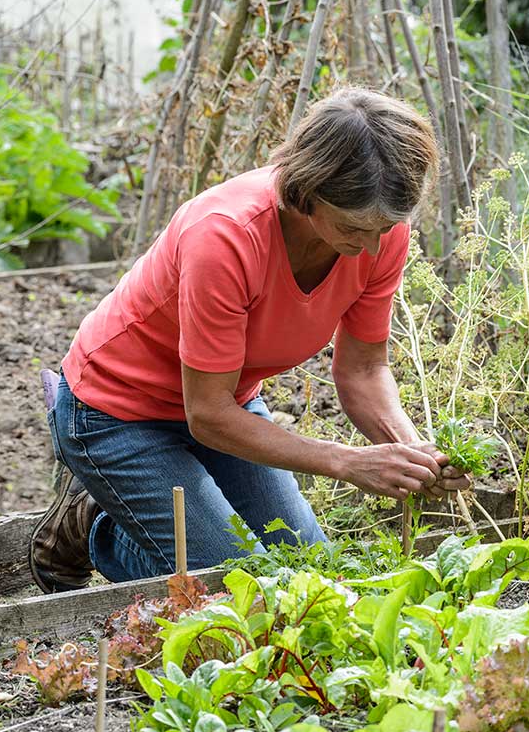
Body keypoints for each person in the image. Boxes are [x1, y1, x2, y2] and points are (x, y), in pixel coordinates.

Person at [29, 86, 470, 593]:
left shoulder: (379, 232)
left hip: (224, 408)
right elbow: (208, 413)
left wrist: (415, 455)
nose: (372, 246)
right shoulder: (225, 237)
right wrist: (347, 462)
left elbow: (363, 370)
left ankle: (141, 514)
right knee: (242, 588)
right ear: (307, 194)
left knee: (313, 579)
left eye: (387, 227)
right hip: (115, 414)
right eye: (354, 227)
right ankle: (92, 529)